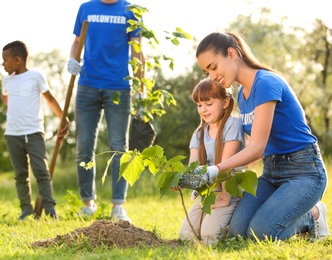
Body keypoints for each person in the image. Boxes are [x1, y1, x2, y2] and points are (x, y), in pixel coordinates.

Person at [180, 32, 329, 241]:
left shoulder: (266, 83)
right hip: (271, 172)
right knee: (238, 232)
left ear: (232, 53)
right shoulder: (242, 94)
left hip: (304, 170)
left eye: (213, 67)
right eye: (207, 71)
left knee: (261, 232)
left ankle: (313, 216)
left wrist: (214, 170)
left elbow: (257, 147)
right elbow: (252, 150)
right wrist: (225, 191)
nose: (211, 77)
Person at [67, 0, 144, 222]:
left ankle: (118, 206)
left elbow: (137, 52)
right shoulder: (86, 8)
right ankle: (87, 204)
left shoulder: (131, 11)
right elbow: (77, 42)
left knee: (119, 148)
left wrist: (141, 88)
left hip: (119, 87)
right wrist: (72, 59)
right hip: (87, 86)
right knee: (83, 147)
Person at [1, 40, 69, 220]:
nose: (3, 64)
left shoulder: (35, 77)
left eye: (5, 60)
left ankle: (50, 209)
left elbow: (50, 99)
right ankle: (26, 210)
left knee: (41, 172)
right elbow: (5, 97)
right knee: (20, 174)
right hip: (12, 133)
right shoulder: (6, 80)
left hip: (34, 132)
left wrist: (62, 118)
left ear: (17, 60)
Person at [176, 78, 245, 244]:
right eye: (199, 105)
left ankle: (235, 226)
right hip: (208, 194)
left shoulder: (232, 125)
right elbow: (193, 168)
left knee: (208, 236)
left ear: (225, 102)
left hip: (230, 191)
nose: (203, 109)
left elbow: (225, 166)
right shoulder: (199, 133)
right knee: (186, 236)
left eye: (208, 103)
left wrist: (225, 196)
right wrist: (180, 181)